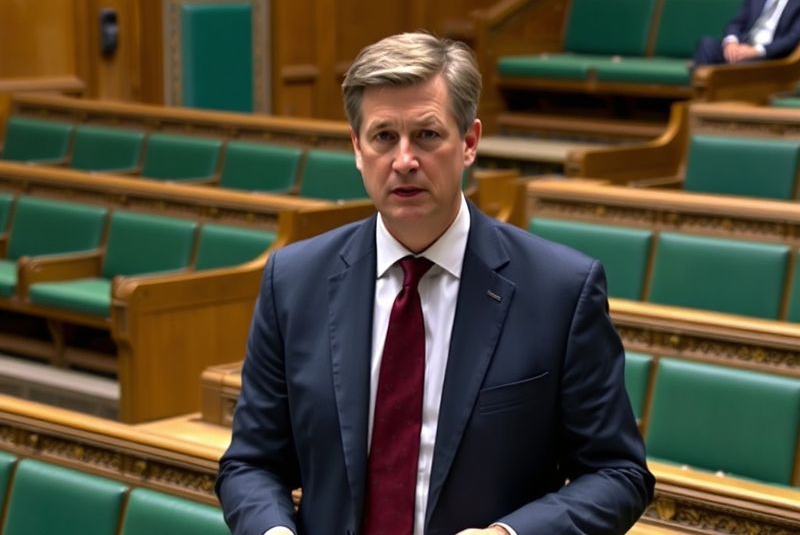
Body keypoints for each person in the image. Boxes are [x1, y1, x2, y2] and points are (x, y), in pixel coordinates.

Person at [216, 31, 654, 535]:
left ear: (468, 142)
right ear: (357, 148)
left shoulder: (560, 290)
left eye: (427, 135)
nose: (404, 160)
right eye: (383, 137)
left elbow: (618, 473)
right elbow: (251, 463)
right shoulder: (293, 280)